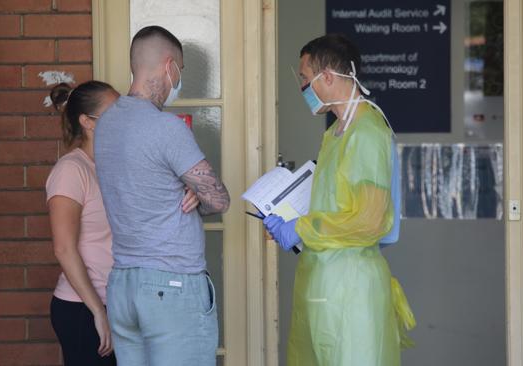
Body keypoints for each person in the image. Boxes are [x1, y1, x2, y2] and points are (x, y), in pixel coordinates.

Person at [263, 34, 415, 365]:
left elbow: (370, 220)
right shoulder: (334, 136)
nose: (302, 87)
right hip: (323, 281)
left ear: (328, 77)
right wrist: (288, 221)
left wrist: (301, 227)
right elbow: (333, 206)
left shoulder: (368, 132)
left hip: (353, 288)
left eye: (304, 78)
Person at [94, 25, 230, 366]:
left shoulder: (107, 124)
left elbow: (142, 180)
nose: (179, 80)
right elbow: (218, 200)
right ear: (169, 66)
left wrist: (186, 187)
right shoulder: (167, 128)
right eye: (180, 71)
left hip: (123, 284)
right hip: (172, 286)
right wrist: (198, 193)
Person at [46, 81, 200, 366]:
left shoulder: (118, 165)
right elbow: (64, 249)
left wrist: (191, 192)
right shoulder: (71, 170)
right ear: (87, 122)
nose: (123, 119)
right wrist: (98, 313)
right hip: (85, 307)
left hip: (124, 301)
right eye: (114, 112)